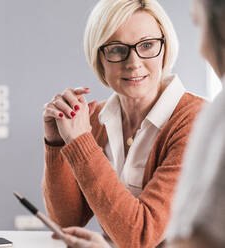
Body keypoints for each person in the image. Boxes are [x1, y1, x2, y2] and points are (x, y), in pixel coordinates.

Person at [55, 0, 225, 247]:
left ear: (165, 49)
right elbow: (67, 221)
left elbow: (141, 236)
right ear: (99, 57)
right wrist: (56, 142)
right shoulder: (96, 118)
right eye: (116, 49)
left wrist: (81, 142)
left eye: (147, 45)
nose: (133, 62)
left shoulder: (194, 119)